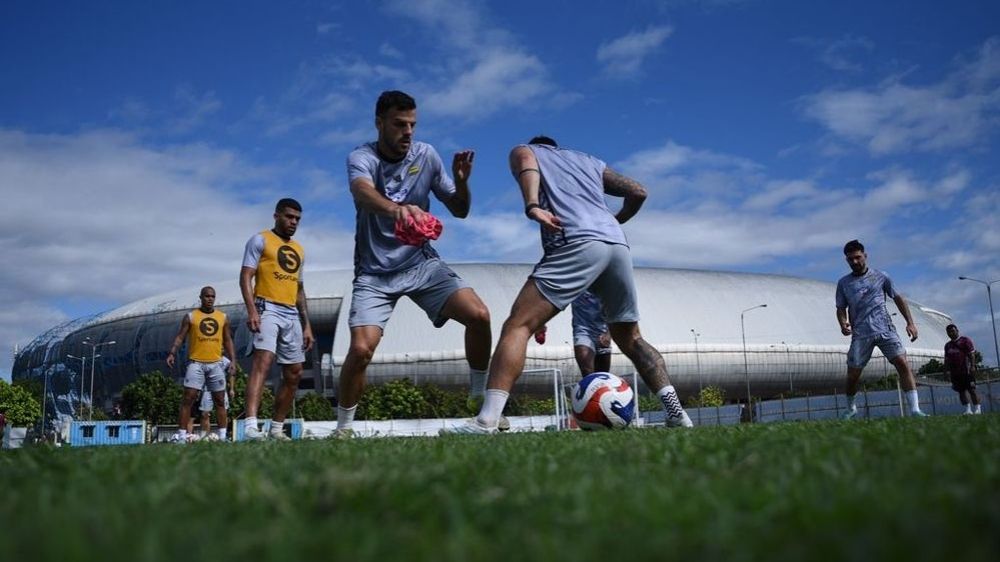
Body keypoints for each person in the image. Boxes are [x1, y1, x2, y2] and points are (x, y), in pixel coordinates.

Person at [443, 135, 693, 434]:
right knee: (632, 338)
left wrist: (532, 205)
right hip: (616, 246)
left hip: (575, 240)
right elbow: (638, 192)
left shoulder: (527, 150)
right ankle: (677, 414)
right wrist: (615, 221)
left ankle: (487, 420)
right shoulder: (589, 162)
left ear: (538, 147)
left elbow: (525, 161)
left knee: (518, 325)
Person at [336, 90, 494, 435]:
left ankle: (479, 400)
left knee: (479, 315)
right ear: (379, 123)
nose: (408, 132)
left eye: (412, 124)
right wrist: (396, 210)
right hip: (374, 273)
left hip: (421, 264)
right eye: (399, 124)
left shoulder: (426, 155)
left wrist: (462, 184)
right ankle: (344, 429)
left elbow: (460, 210)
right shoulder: (362, 157)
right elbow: (361, 191)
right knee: (361, 349)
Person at [240, 198, 314, 440]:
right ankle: (251, 426)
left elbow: (299, 289)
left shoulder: (299, 250)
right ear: (276, 216)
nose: (293, 222)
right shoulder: (260, 240)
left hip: (291, 313)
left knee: (295, 372)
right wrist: (252, 310)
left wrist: (307, 325)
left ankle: (276, 429)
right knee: (263, 362)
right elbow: (245, 276)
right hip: (266, 307)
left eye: (297, 219)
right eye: (289, 217)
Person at [836, 240, 927, 418]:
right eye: (850, 259)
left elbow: (898, 298)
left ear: (865, 256)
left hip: (885, 329)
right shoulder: (844, 283)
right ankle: (851, 408)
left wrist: (910, 322)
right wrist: (843, 323)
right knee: (853, 375)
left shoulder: (881, 276)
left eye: (857, 257)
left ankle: (915, 410)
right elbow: (840, 308)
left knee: (902, 363)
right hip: (861, 334)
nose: (854, 262)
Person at [166, 286, 237, 443]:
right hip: (196, 363)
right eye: (207, 296)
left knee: (220, 400)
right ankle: (182, 437)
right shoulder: (191, 317)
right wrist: (172, 352)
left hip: (216, 363)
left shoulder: (223, 317)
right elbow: (180, 337)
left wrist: (233, 360)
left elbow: (228, 340)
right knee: (188, 399)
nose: (210, 299)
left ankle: (223, 437)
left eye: (212, 296)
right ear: (201, 297)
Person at [571, 290, 613, 375]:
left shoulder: (607, 286)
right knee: (587, 370)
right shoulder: (575, 284)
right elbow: (556, 300)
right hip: (582, 331)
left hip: (602, 333)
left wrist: (609, 334)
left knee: (602, 375)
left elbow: (617, 311)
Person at [944, 324, 981, 415]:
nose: (951, 333)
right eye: (949, 332)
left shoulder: (965, 340)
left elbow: (972, 354)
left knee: (972, 390)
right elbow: (947, 359)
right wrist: (947, 371)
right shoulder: (948, 345)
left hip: (966, 370)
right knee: (961, 391)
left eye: (953, 331)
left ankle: (977, 409)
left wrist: (972, 366)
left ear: (957, 331)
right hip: (955, 372)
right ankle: (968, 409)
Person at [197, 356, 236, 439]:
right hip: (207, 389)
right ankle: (204, 437)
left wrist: (231, 389)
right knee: (204, 413)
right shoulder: (205, 357)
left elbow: (232, 374)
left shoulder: (225, 361)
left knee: (223, 412)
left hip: (221, 389)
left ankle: (223, 436)